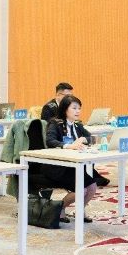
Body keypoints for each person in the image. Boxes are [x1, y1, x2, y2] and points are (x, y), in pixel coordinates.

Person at [45, 95, 96, 223]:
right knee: (81, 189)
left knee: (92, 187)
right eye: (74, 108)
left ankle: (79, 210)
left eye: (79, 108)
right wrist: (69, 146)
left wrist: (84, 139)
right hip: (57, 166)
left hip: (73, 166)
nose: (77, 111)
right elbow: (50, 141)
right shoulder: (55, 123)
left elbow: (92, 138)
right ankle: (59, 209)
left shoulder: (78, 125)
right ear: (65, 109)